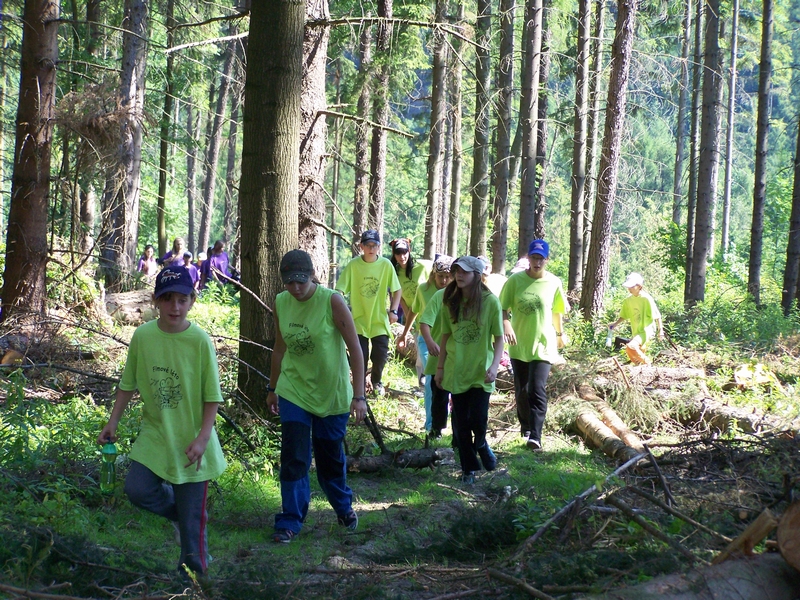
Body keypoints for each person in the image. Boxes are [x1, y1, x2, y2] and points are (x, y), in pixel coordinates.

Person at [97, 266, 226, 576]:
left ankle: (194, 582)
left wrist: (203, 438)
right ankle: (187, 517)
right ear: (155, 302)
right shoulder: (143, 336)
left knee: (193, 547)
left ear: (192, 301)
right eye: (167, 300)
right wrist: (112, 421)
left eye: (182, 300)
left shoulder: (199, 341)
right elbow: (128, 383)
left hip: (193, 442)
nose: (175, 307)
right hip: (156, 434)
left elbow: (213, 397)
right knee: (137, 489)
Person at [268, 250, 367, 543]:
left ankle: (342, 506)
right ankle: (289, 520)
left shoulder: (331, 300)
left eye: (301, 281)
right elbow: (279, 348)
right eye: (289, 283)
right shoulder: (281, 302)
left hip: (331, 393)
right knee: (294, 456)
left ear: (312, 275)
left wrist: (359, 396)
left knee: (329, 458)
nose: (296, 289)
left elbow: (356, 349)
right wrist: (272, 388)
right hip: (293, 390)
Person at [434, 256, 503, 483]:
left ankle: (481, 443)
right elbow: (445, 336)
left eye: (464, 271)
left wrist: (494, 366)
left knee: (478, 420)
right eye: (457, 271)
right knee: (460, 424)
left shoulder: (490, 302)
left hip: (482, 372)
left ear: (477, 275)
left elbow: (499, 338)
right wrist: (441, 368)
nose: (459, 275)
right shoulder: (450, 300)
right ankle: (468, 469)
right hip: (457, 370)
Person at [499, 239, 568, 451]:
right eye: (534, 257)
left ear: (546, 260)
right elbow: (502, 309)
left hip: (544, 344)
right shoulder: (515, 281)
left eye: (541, 258)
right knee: (522, 390)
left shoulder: (554, 282)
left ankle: (535, 437)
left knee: (537, 389)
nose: (537, 262)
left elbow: (557, 311)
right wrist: (507, 327)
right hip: (519, 344)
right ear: (527, 258)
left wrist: (560, 333)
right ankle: (526, 427)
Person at [336, 230, 402, 396]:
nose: (371, 248)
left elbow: (397, 289)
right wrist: (342, 312)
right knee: (360, 357)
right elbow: (339, 291)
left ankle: (376, 381)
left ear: (379, 247)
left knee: (380, 355)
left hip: (379, 320)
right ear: (361, 246)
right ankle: (359, 390)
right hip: (358, 321)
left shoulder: (386, 265)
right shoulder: (353, 265)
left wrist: (394, 310)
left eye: (374, 245)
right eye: (368, 245)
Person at [416, 255, 454, 437]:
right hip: (436, 349)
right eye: (441, 276)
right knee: (436, 388)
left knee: (457, 391)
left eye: (448, 276)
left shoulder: (462, 295)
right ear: (434, 275)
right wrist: (430, 342)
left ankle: (458, 430)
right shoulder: (436, 295)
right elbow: (423, 321)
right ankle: (434, 427)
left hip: (457, 352)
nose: (445, 280)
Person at [391, 238, 430, 383]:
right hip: (414, 318)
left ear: (409, 251)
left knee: (429, 350)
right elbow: (399, 296)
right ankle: (422, 383)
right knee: (420, 350)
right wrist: (408, 317)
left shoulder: (422, 267)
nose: (402, 257)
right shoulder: (394, 272)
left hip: (429, 315)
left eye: (404, 252)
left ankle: (430, 382)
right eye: (398, 253)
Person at [608, 272, 664, 365]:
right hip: (636, 332)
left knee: (631, 346)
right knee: (633, 353)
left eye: (632, 286)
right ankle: (642, 369)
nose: (629, 289)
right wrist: (615, 324)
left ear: (639, 286)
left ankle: (648, 364)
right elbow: (624, 315)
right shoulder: (628, 300)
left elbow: (657, 316)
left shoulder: (646, 298)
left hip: (647, 331)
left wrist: (660, 331)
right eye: (628, 286)